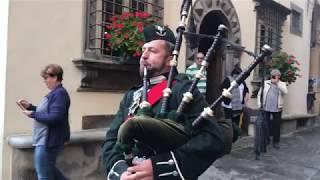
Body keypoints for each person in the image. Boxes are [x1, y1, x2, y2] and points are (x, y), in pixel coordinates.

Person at [102, 25, 226, 180]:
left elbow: (213, 138)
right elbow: (112, 141)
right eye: (143, 50)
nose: (144, 56)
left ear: (170, 60)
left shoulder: (183, 90)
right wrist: (120, 172)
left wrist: (159, 167)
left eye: (153, 51)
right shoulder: (132, 95)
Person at [18, 64, 70, 180]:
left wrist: (33, 114)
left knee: (44, 175)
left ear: (55, 78)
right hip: (45, 140)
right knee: (49, 171)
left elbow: (55, 117)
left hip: (47, 141)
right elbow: (47, 113)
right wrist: (30, 107)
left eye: (46, 78)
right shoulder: (55, 93)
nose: (44, 81)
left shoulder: (60, 94)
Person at [257, 69, 288, 149]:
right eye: (273, 75)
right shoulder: (265, 83)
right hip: (266, 107)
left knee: (276, 125)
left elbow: (285, 92)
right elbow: (259, 94)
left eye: (276, 75)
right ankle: (266, 140)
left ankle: (276, 141)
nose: (274, 76)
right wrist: (259, 105)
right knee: (266, 124)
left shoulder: (282, 84)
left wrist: (277, 83)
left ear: (279, 76)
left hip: (277, 108)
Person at [220, 66, 249, 140]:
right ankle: (228, 137)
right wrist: (227, 95)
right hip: (229, 106)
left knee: (236, 122)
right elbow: (221, 88)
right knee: (229, 122)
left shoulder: (242, 81)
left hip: (239, 106)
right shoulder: (228, 79)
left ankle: (234, 137)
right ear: (235, 74)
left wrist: (246, 95)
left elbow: (246, 89)